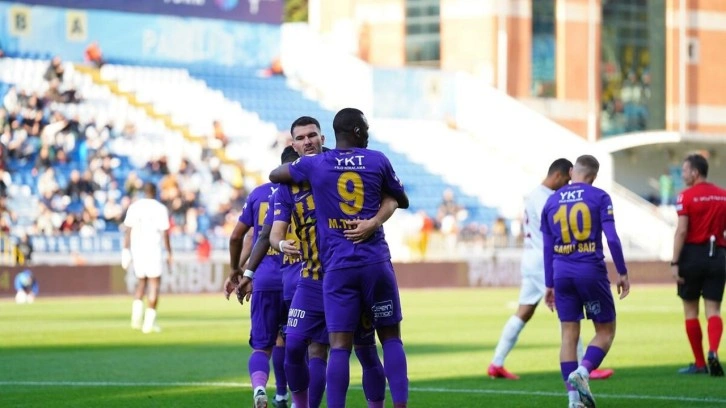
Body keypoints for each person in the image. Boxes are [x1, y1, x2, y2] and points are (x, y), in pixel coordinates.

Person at [270, 108, 410, 408]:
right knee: (389, 339)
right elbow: (401, 199)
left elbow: (275, 174)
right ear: (358, 131)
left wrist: (300, 163)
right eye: (366, 128)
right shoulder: (377, 159)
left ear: (326, 137)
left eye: (312, 136)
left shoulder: (319, 164)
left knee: (339, 348)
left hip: (338, 269)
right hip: (375, 262)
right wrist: (373, 221)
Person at [489, 159, 614, 381]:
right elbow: (555, 231)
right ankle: (584, 368)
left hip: (530, 259)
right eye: (566, 180)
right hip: (544, 262)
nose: (568, 186)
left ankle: (496, 363)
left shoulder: (533, 195)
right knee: (569, 316)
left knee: (523, 312)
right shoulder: (546, 198)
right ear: (558, 176)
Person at [541, 155, 629, 408]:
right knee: (605, 331)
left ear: (572, 172)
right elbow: (611, 238)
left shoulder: (551, 201)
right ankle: (583, 371)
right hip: (590, 271)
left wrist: (549, 284)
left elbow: (547, 247)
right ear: (594, 176)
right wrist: (622, 272)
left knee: (568, 336)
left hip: (561, 273)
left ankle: (573, 401)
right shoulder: (599, 197)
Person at [223, 169, 288, 408]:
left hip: (265, 278)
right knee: (298, 345)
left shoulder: (259, 194)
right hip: (298, 277)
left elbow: (243, 238)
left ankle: (260, 387)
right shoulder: (306, 190)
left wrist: (238, 270)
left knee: (262, 346)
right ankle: (284, 395)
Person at [671, 154, 726, 376]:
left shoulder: (685, 196)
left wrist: (674, 262)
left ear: (695, 172)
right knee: (714, 310)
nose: (683, 175)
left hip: (692, 256)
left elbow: (682, 231)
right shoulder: (723, 196)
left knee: (690, 311)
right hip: (718, 255)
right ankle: (713, 350)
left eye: (684, 171)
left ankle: (700, 363)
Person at [122, 182, 172, 334]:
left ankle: (136, 319)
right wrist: (169, 252)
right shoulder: (160, 208)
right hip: (153, 249)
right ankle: (149, 323)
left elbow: (128, 230)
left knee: (141, 283)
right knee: (154, 284)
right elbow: (165, 233)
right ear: (155, 192)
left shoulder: (134, 207)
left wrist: (125, 250)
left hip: (137, 249)